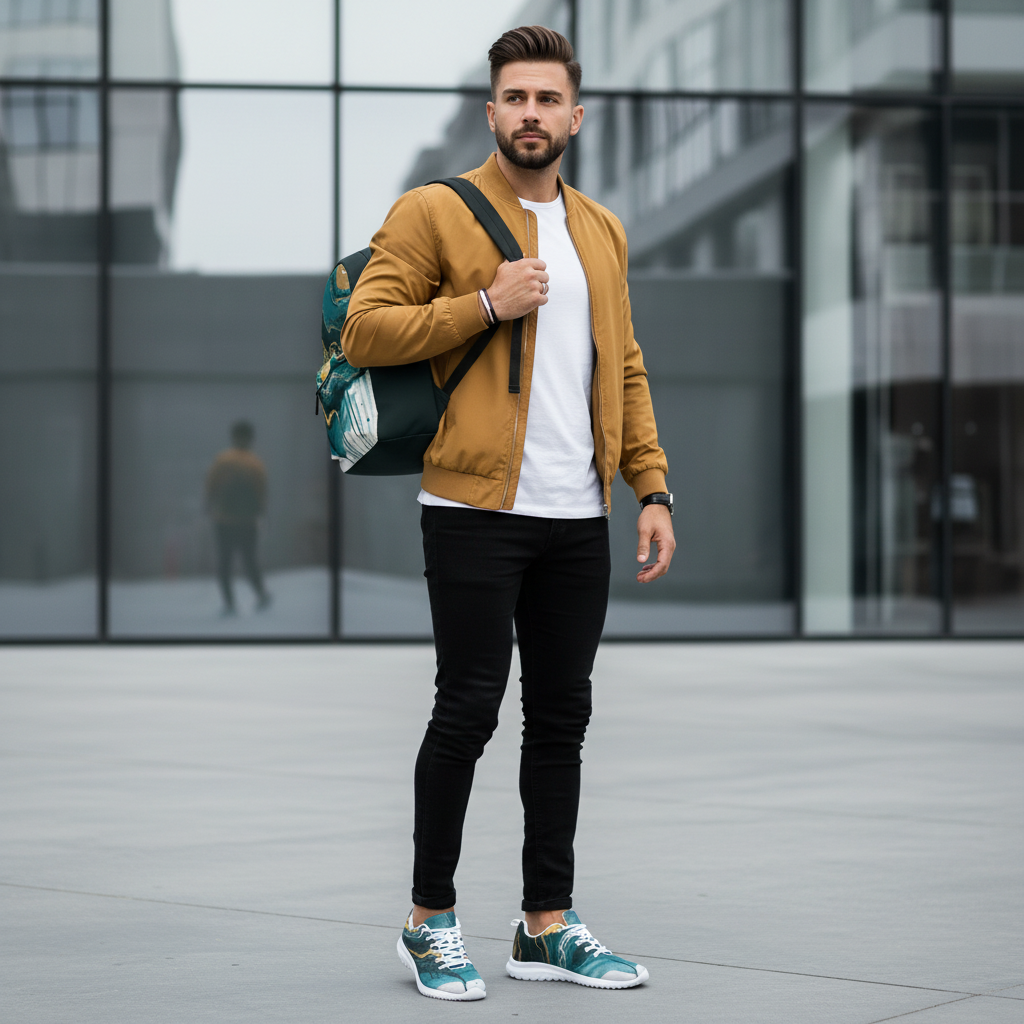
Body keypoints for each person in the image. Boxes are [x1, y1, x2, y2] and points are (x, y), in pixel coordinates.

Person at [341, 25, 675, 1003]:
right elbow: (369, 323)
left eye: (547, 99)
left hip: (578, 514)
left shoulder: (602, 231)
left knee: (561, 718)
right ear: (493, 113)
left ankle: (546, 924)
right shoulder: (435, 212)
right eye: (514, 98)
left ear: (576, 115)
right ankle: (428, 920)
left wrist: (648, 486)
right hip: (472, 506)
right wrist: (484, 304)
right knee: (467, 707)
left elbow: (623, 365)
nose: (531, 113)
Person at [204, 420, 270, 614]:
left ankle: (229, 602)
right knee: (249, 559)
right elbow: (262, 493)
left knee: (225, 561)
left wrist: (209, 506)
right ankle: (261, 594)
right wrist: (261, 513)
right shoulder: (256, 463)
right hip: (247, 520)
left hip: (223, 519)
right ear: (251, 439)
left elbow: (211, 486)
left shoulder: (222, 460)